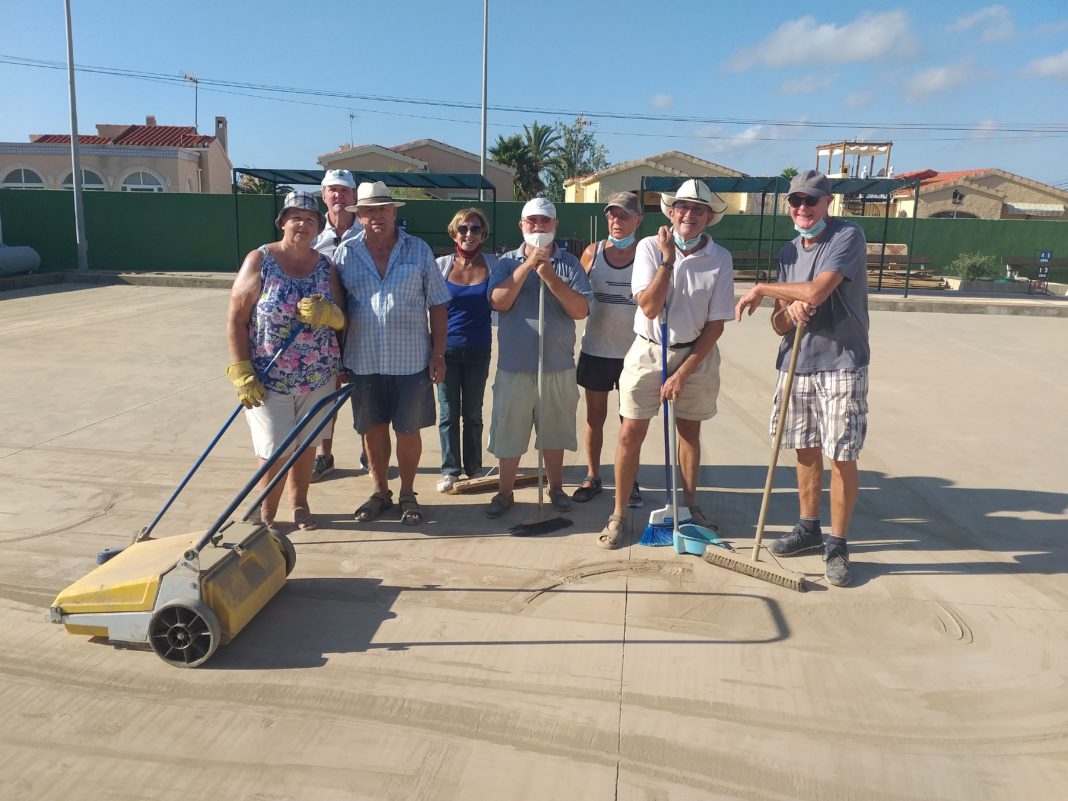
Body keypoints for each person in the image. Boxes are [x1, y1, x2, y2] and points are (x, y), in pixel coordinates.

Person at [735, 169, 868, 587]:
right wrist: (786, 311)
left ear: (827, 201)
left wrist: (763, 290)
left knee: (840, 453)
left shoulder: (847, 236)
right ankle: (808, 527)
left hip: (841, 361)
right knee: (804, 449)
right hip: (797, 361)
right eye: (795, 201)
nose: (802, 208)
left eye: (810, 200)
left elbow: (815, 292)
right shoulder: (788, 252)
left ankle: (838, 543)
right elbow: (779, 325)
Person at [599, 179, 734, 549]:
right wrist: (669, 260)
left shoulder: (720, 258)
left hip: (697, 353)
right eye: (683, 208)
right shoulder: (648, 248)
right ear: (671, 212)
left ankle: (689, 508)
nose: (689, 215)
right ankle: (618, 513)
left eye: (698, 210)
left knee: (689, 433)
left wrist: (683, 373)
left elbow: (717, 323)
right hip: (648, 350)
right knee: (630, 433)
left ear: (708, 217)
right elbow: (649, 306)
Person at [226, 191, 346, 532]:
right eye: (296, 217)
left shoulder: (326, 266)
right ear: (282, 222)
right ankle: (265, 514)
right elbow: (236, 318)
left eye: (310, 219)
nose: (303, 225)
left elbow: (344, 319)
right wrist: (242, 371)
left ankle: (300, 503)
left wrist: (332, 315)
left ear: (319, 227)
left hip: (318, 375)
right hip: (268, 377)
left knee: (305, 445)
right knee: (275, 448)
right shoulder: (259, 259)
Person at [335, 180, 451, 526]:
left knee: (408, 430)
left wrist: (438, 354)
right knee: (371, 429)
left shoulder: (418, 250)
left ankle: (407, 493)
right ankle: (380, 491)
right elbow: (338, 309)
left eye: (383, 209)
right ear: (360, 215)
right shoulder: (346, 253)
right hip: (362, 359)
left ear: (393, 211)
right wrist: (338, 360)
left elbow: (439, 305)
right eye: (369, 211)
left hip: (411, 359)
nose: (376, 217)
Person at [484, 197, 592, 521]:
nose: (538, 226)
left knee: (554, 432)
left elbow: (580, 310)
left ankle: (556, 488)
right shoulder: (506, 262)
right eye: (532, 221)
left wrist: (549, 275)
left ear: (555, 225)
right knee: (509, 433)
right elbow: (498, 302)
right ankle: (505, 492)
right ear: (521, 225)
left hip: (557, 366)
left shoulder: (569, 264)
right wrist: (528, 265)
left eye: (545, 221)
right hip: (515, 366)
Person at [573, 192, 643, 509]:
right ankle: (593, 475)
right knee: (594, 418)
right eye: (612, 215)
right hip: (597, 350)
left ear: (638, 220)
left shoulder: (647, 253)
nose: (617, 221)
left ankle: (630, 479)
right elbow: (573, 294)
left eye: (624, 215)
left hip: (635, 354)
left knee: (630, 423)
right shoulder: (592, 252)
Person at [435, 208, 496, 492]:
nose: (469, 234)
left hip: (479, 350)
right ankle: (450, 469)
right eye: (463, 229)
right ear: (454, 232)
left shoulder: (495, 265)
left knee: (473, 412)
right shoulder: (441, 266)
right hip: (445, 350)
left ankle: (474, 467)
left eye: (475, 229)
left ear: (483, 233)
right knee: (448, 413)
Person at [310, 169, 364, 483]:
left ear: (354, 196)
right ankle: (324, 456)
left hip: (360, 325)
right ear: (324, 195)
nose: (338, 197)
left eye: (344, 191)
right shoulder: (313, 235)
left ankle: (367, 452)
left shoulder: (366, 232)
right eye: (333, 191)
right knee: (326, 396)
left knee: (363, 393)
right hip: (322, 330)